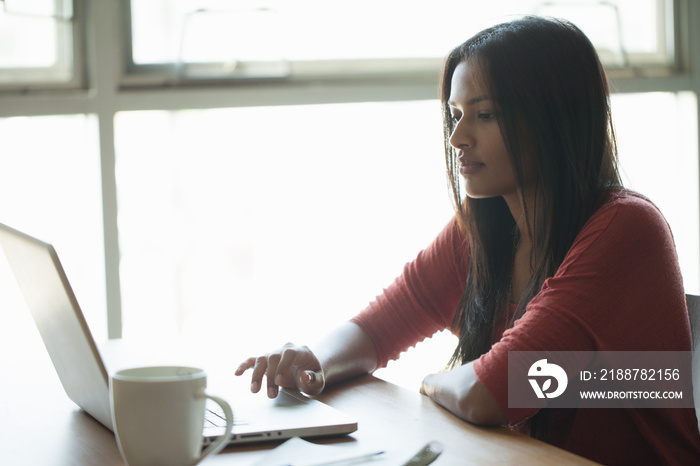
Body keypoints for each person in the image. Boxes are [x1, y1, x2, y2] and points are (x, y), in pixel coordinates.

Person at [235, 16, 700, 465]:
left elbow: (490, 395)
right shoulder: (484, 225)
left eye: (485, 114)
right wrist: (309, 360)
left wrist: (434, 381)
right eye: (456, 115)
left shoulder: (626, 229)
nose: (458, 137)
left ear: (555, 119)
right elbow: (377, 328)